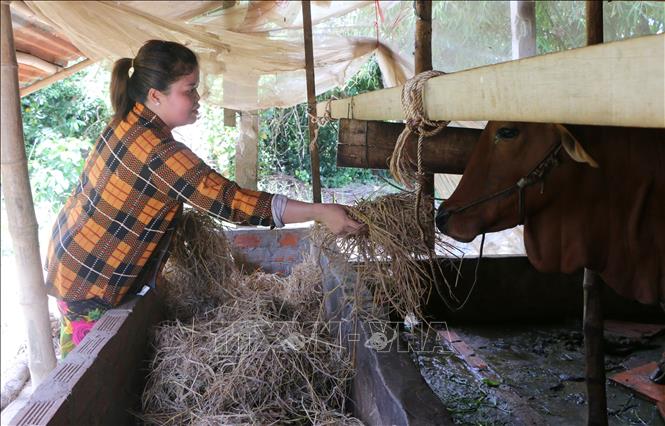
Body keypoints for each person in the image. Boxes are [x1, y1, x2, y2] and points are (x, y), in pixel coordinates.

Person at [44, 40, 364, 358]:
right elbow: (233, 202)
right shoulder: (159, 152)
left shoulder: (126, 123)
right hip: (92, 281)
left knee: (80, 355)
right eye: (189, 89)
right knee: (88, 366)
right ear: (155, 96)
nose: (198, 98)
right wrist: (320, 212)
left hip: (72, 260)